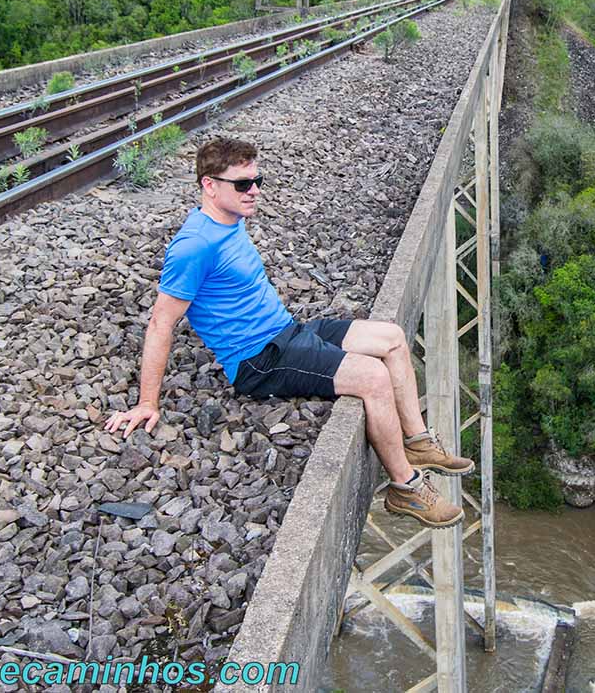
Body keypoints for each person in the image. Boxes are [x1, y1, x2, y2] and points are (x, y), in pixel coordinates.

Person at [104, 136, 472, 528]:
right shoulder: (194, 246)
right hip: (259, 360)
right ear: (209, 185)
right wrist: (147, 402)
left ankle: (417, 443)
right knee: (373, 377)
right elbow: (161, 323)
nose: (254, 191)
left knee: (392, 339)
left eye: (256, 180)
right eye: (242, 184)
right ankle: (407, 488)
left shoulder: (230, 221)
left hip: (286, 331)